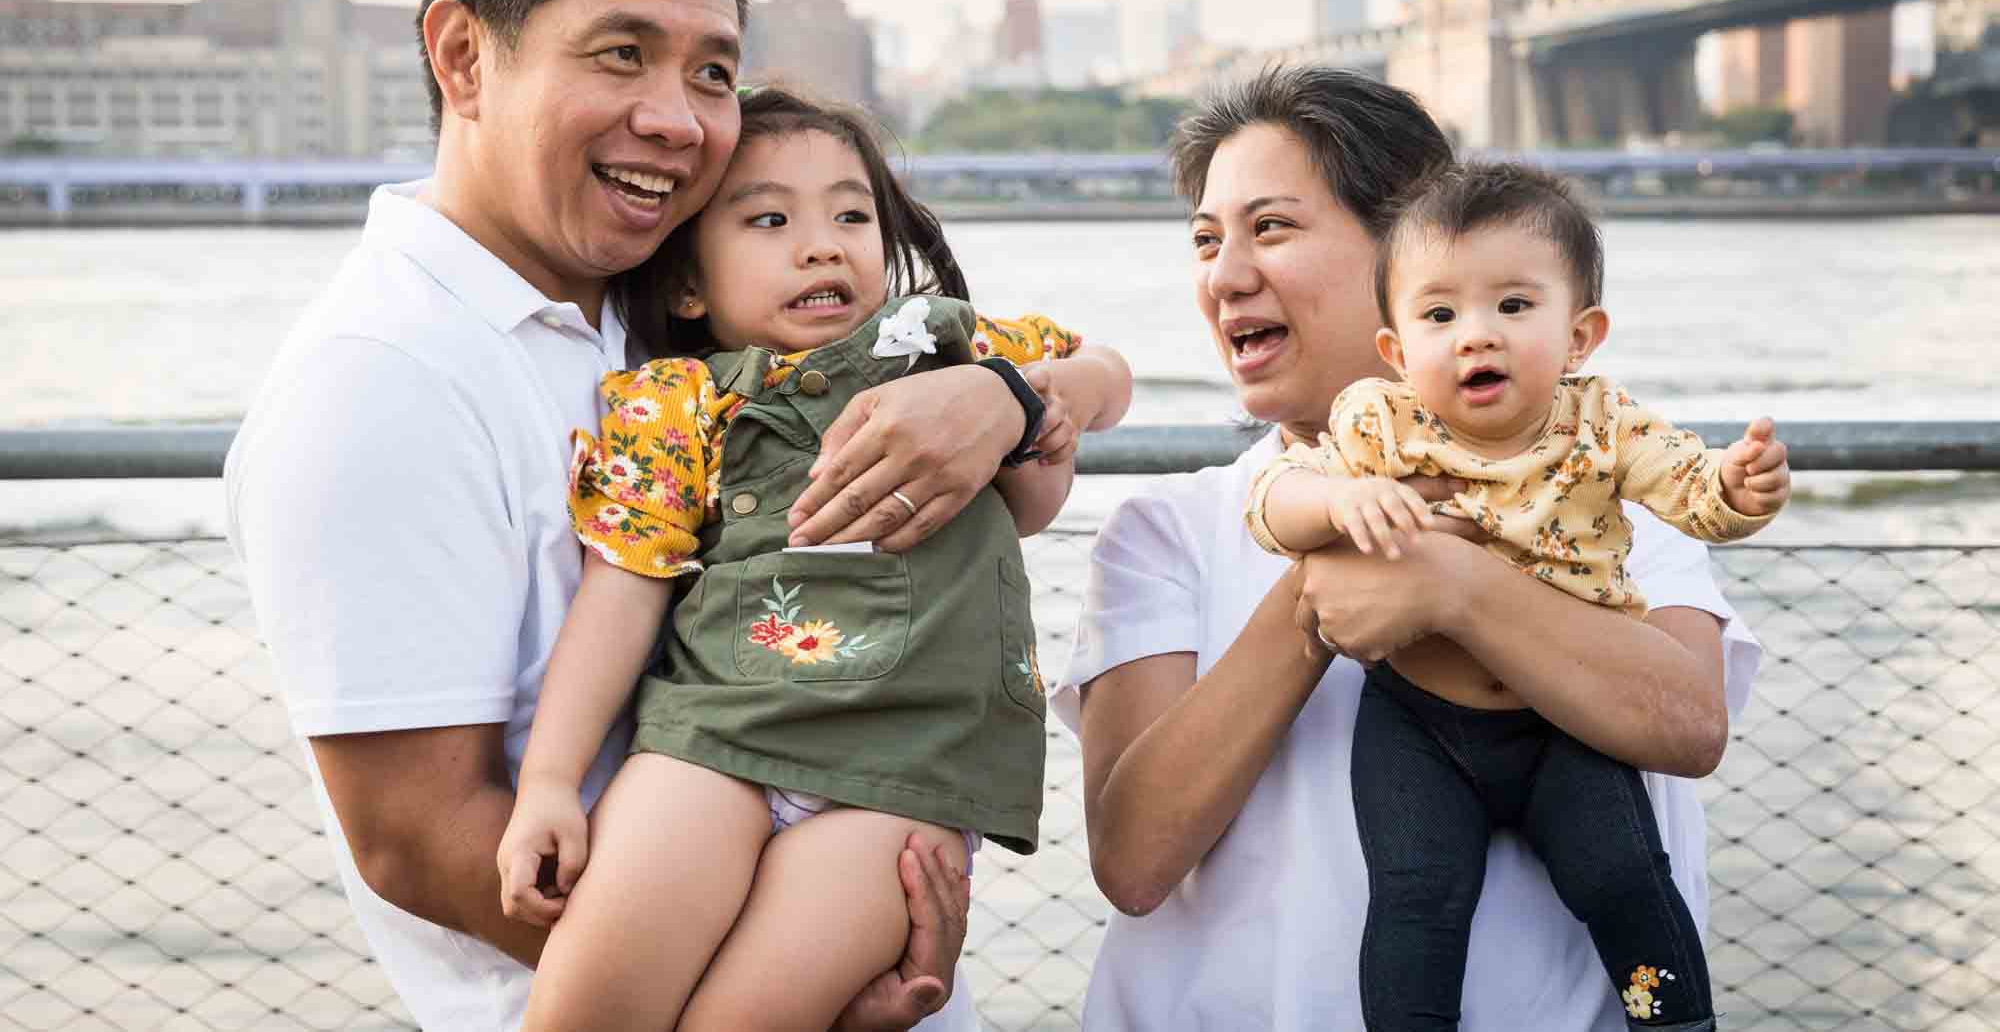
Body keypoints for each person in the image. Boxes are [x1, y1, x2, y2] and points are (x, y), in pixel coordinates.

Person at [226, 0, 1043, 1031]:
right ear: (463, 57)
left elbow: (1043, 370)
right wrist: (786, 994)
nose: (676, 119)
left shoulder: (653, 313)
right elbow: (416, 834)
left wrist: (1006, 398)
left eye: (712, 71)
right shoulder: (379, 380)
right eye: (620, 54)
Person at [1051, 66, 1764, 1031]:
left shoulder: (1599, 483)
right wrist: (1320, 593)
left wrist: (1454, 584)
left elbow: (1690, 723)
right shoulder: (1167, 528)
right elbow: (1132, 862)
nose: (1223, 275)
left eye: (1271, 228)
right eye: (1207, 241)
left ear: (1409, 238)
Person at [495, 87, 1132, 1030]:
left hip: (906, 772)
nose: (822, 243)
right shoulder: (676, 402)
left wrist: (1033, 397)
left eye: (850, 213)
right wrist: (549, 780)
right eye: (769, 219)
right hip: (716, 740)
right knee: (587, 1005)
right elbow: (622, 590)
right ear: (688, 284)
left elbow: (1107, 375)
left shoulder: (948, 349)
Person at [1246, 160, 1791, 1031]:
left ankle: (1677, 1020)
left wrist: (1737, 482)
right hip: (1418, 722)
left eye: (1513, 305)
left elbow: (1688, 488)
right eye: (1439, 314)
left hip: (1563, 722)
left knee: (1625, 877)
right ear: (1395, 347)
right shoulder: (1379, 423)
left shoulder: (1604, 424)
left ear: (1580, 335)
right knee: (1415, 903)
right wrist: (1337, 498)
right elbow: (1270, 502)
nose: (1475, 336)